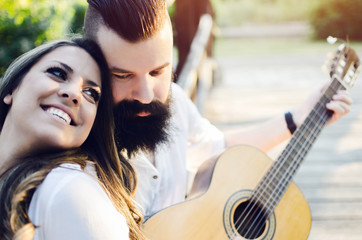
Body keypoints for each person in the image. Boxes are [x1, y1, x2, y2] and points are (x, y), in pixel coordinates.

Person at [84, 0, 352, 220]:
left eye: (158, 71)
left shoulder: (175, 102)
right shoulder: (75, 159)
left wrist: (299, 117)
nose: (145, 95)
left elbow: (217, 150)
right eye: (122, 75)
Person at [0, 38, 146, 239]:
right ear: (12, 88)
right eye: (58, 73)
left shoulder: (71, 192)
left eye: (91, 93)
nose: (73, 94)